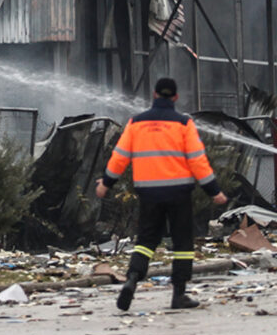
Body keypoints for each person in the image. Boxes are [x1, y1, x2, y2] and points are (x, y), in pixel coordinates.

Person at [95, 76, 228, 310]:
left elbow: (119, 158)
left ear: (154, 95)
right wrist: (214, 191)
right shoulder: (183, 124)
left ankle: (133, 279)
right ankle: (179, 294)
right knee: (183, 244)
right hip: (179, 194)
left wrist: (106, 183)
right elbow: (198, 162)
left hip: (149, 195)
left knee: (146, 241)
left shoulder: (136, 123)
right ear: (175, 97)